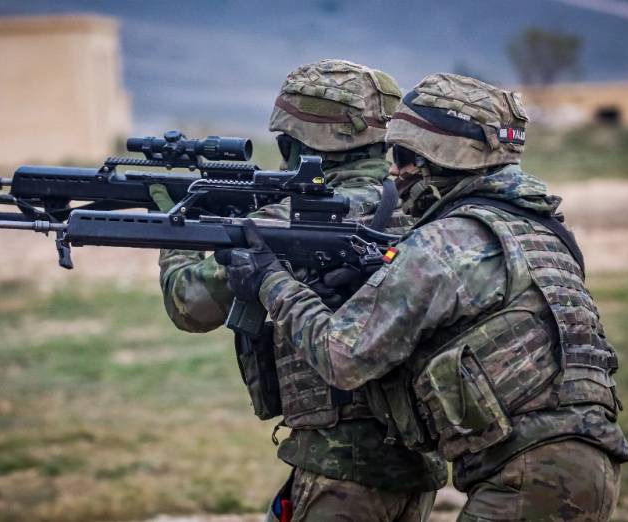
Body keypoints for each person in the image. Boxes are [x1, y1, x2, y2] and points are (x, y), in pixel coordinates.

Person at [221, 73, 628, 521]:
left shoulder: (444, 242)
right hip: (590, 466)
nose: (393, 172)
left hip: (528, 475)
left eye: (403, 157)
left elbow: (343, 358)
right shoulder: (542, 231)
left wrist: (270, 279)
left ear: (438, 159)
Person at [151, 60, 446, 521]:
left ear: (294, 141)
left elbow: (190, 305)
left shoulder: (291, 220)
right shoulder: (428, 209)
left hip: (339, 469)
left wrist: (177, 237)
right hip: (417, 463)